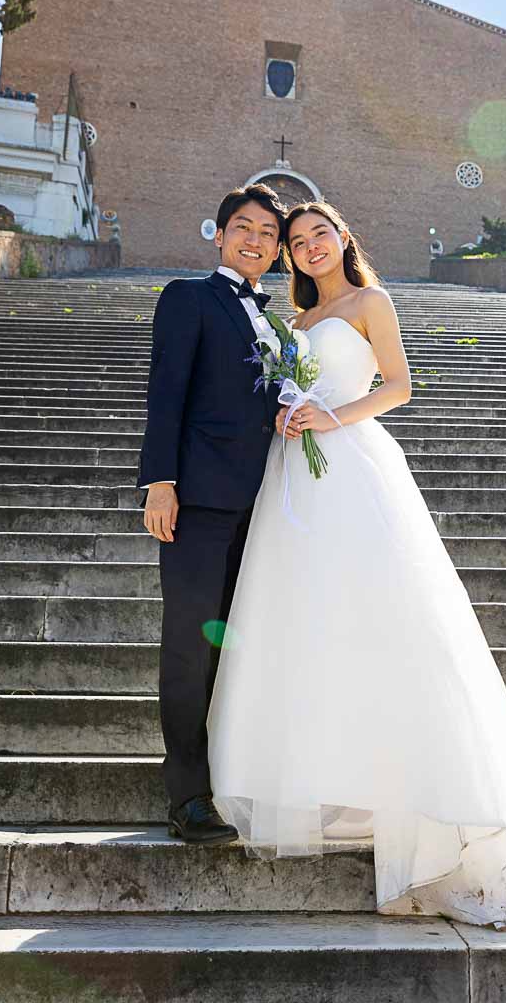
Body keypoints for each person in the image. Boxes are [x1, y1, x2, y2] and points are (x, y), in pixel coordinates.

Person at [206, 199, 506, 938]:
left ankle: (442, 807)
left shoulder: (372, 301)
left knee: (391, 624)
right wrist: (288, 410)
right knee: (310, 627)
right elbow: (287, 387)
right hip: (296, 482)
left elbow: (398, 386)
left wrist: (328, 418)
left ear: (343, 237)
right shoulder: (294, 324)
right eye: (296, 242)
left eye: (318, 235)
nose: (307, 248)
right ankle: (340, 780)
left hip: (355, 469)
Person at [138, 183, 286, 843]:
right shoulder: (189, 299)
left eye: (268, 234)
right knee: (190, 646)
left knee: (238, 646)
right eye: (244, 228)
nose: (255, 240)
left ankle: (229, 774)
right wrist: (160, 483)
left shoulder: (272, 317)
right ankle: (188, 795)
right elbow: (165, 393)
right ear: (219, 234)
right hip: (198, 500)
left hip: (263, 507)